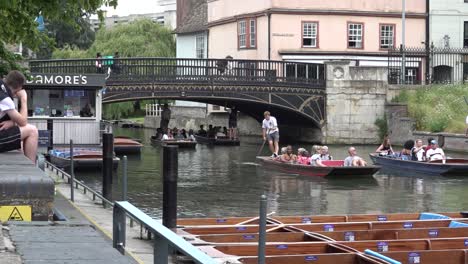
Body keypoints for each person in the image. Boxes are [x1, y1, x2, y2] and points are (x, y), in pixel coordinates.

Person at [0, 71, 38, 163]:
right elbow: (23, 121)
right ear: (19, 88)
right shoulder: (5, 98)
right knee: (32, 130)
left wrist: (12, 122)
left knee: (18, 133)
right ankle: (31, 169)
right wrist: (24, 99)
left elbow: (16, 119)